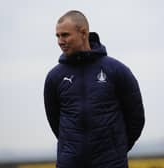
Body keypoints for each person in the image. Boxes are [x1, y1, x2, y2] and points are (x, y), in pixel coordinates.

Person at [44, 10, 145, 168]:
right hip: (70, 163)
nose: (60, 41)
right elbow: (54, 121)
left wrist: (116, 149)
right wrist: (72, 149)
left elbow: (136, 118)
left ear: (83, 33)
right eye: (57, 36)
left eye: (65, 35)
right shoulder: (54, 77)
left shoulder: (116, 70)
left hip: (111, 163)